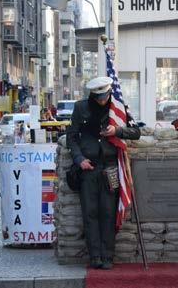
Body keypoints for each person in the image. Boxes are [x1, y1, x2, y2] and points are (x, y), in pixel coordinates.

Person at [66, 76, 140, 270]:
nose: (102, 100)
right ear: (92, 95)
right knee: (90, 213)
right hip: (89, 168)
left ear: (109, 93)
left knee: (108, 213)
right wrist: (79, 159)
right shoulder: (81, 108)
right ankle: (95, 256)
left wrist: (117, 131)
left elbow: (136, 132)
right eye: (98, 97)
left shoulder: (117, 108)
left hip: (110, 168)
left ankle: (108, 256)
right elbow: (71, 138)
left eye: (105, 96)